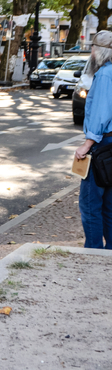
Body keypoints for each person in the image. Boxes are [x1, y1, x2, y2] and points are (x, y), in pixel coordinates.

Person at [74, 30, 112, 249]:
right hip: (109, 144)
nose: (91, 51)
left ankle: (94, 251)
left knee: (90, 204)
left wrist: (87, 144)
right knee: (109, 204)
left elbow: (101, 112)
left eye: (94, 47)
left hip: (101, 145)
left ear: (101, 51)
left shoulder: (105, 74)